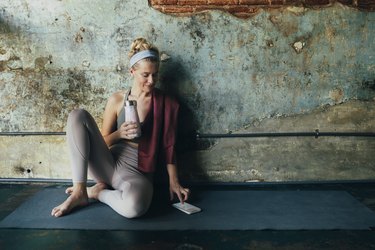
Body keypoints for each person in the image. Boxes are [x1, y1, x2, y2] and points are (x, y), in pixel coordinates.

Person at [51, 38, 190, 218]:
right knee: (77, 115)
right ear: (132, 71)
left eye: (155, 75)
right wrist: (119, 134)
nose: (151, 80)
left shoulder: (167, 103)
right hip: (107, 162)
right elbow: (102, 142)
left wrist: (174, 181)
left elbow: (169, 147)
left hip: (138, 170)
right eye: (145, 74)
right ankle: (79, 191)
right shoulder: (116, 99)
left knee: (134, 208)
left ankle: (97, 193)